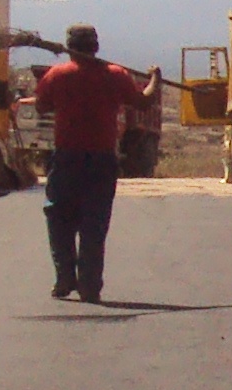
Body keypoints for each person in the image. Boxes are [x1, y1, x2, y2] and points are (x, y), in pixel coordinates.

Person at [31, 24, 154, 300]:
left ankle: (64, 278)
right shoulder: (115, 75)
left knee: (59, 218)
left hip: (67, 157)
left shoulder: (58, 75)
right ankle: (89, 286)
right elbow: (143, 103)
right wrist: (155, 79)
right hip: (101, 159)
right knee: (94, 223)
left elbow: (41, 105)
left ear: (69, 48)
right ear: (95, 47)